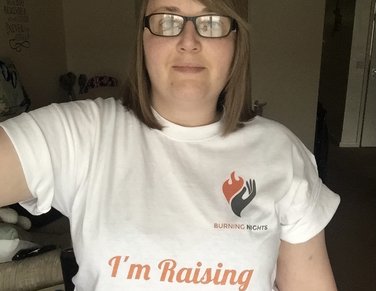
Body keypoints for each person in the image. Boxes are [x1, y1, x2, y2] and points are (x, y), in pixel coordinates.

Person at [0, 0, 340, 290]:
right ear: (144, 38)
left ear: (236, 41)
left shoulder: (281, 152)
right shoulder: (79, 133)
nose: (188, 41)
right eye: (167, 20)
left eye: (210, 21)